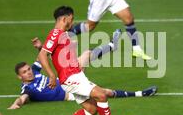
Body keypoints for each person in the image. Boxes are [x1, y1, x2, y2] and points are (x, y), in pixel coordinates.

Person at [39, 6, 125, 115]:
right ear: (64, 19)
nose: (72, 23)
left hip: (75, 75)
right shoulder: (56, 33)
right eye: (71, 20)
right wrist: (52, 75)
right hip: (71, 77)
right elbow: (42, 55)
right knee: (102, 95)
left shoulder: (63, 34)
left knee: (92, 109)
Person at [8, 35, 157, 109]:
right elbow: (23, 98)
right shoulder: (28, 88)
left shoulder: (35, 71)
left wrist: (39, 47)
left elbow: (42, 57)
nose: (29, 72)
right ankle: (140, 93)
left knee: (85, 55)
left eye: (28, 69)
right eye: (25, 72)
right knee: (105, 93)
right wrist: (15, 105)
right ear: (19, 77)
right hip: (71, 92)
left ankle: (112, 45)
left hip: (69, 79)